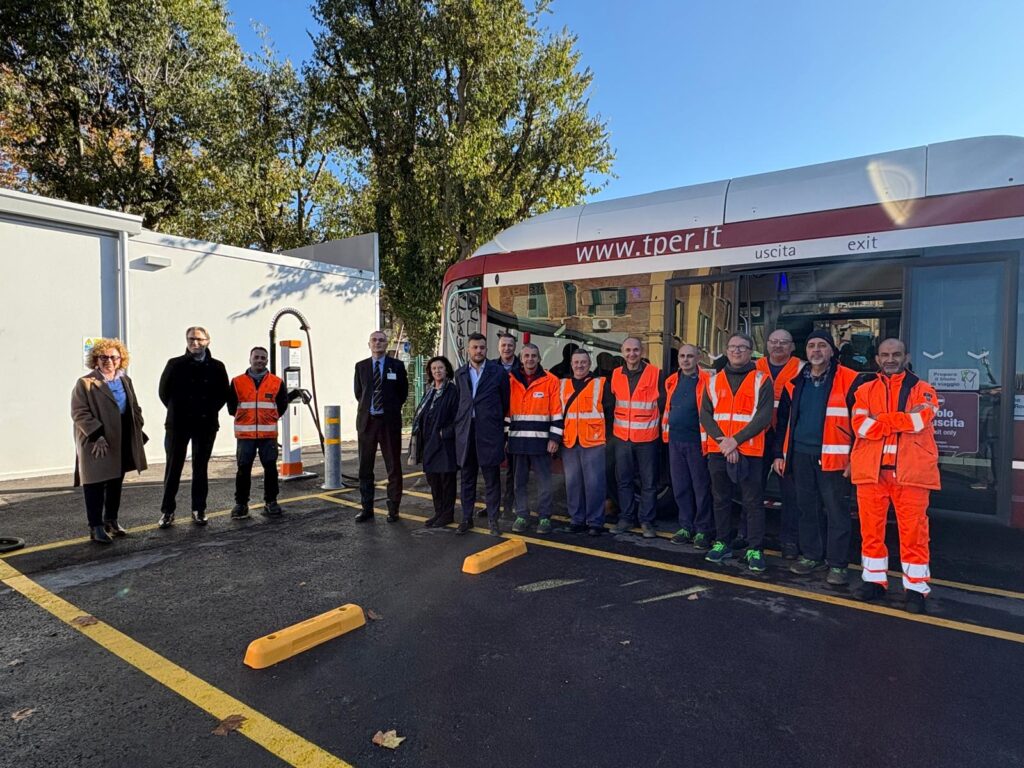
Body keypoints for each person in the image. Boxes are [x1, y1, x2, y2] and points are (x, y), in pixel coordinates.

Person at [850, 338, 940, 613]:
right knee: (871, 532)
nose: (890, 359)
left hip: (911, 474)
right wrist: (899, 418)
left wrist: (881, 419)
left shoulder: (924, 389)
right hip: (872, 472)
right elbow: (860, 426)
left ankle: (916, 589)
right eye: (885, 355)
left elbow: (919, 421)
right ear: (877, 359)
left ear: (906, 356)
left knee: (914, 534)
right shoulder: (864, 389)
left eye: (896, 354)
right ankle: (874, 581)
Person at [774, 331, 858, 585]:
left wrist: (856, 458)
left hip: (834, 458)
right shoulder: (795, 382)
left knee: (836, 511)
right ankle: (811, 556)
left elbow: (860, 423)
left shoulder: (851, 380)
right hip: (800, 454)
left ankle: (838, 565)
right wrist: (780, 453)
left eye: (822, 345)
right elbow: (783, 423)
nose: (816, 350)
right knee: (806, 508)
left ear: (832, 351)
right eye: (811, 346)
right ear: (806, 352)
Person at [701, 332, 774, 572]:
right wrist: (725, 443)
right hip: (719, 450)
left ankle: (755, 548)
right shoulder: (713, 380)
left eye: (742, 347)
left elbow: (763, 417)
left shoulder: (762, 380)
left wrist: (735, 441)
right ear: (726, 350)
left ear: (751, 351)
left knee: (753, 502)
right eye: (732, 347)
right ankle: (723, 542)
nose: (736, 351)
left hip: (750, 451)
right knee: (720, 499)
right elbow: (705, 415)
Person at [71, 339, 148, 543]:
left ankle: (111, 521)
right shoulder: (85, 383)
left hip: (121, 437)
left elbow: (134, 405)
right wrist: (97, 435)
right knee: (95, 483)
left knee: (116, 481)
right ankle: (95, 527)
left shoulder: (125, 380)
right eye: (103, 357)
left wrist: (138, 423)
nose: (109, 361)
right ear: (95, 359)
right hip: (97, 440)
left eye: (114, 357)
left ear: (121, 359)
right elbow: (79, 413)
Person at [158, 326, 228, 528]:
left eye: (198, 339)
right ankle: (167, 511)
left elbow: (223, 394)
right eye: (190, 339)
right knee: (173, 468)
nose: (194, 343)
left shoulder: (217, 366)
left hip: (205, 424)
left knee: (200, 468)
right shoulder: (175, 364)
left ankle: (199, 509)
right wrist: (178, 410)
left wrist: (208, 410)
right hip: (178, 425)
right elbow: (164, 393)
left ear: (208, 341)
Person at [608, 336, 665, 538]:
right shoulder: (615, 374)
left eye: (635, 350)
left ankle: (647, 521)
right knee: (623, 481)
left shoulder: (655, 374)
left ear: (642, 352)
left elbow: (662, 405)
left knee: (648, 483)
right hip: (622, 438)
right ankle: (626, 518)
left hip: (647, 438)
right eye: (628, 350)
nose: (632, 354)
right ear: (623, 352)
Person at [454, 332, 511, 536]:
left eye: (482, 347)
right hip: (466, 433)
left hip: (489, 433)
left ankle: (493, 521)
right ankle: (466, 518)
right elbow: (461, 402)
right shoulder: (459, 374)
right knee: (467, 478)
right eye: (475, 347)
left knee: (491, 479)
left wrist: (493, 420)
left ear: (487, 349)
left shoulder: (498, 372)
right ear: (468, 350)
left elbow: (505, 402)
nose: (479, 351)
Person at [754, 328, 804, 559]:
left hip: (787, 437)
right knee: (752, 490)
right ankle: (749, 536)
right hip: (758, 435)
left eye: (784, 342)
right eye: (773, 341)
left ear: (792, 346)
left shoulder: (802, 368)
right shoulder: (755, 366)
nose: (778, 346)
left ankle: (790, 541)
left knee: (790, 494)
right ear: (767, 344)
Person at [226, 347, 288, 520]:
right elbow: (231, 405)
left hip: (268, 435)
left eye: (263, 358)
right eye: (256, 357)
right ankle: (241, 504)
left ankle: (271, 501)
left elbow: (283, 403)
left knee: (270, 469)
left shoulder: (276, 382)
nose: (260, 360)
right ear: (250, 359)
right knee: (243, 469)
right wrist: (241, 416)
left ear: (267, 361)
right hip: (245, 436)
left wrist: (273, 416)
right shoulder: (237, 382)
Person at [662, 344, 713, 550]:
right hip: (675, 440)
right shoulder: (671, 381)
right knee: (681, 486)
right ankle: (685, 526)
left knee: (700, 487)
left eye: (690, 356)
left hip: (696, 441)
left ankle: (703, 529)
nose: (685, 360)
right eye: (682, 356)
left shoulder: (707, 381)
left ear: (698, 358)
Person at [354, 330, 409, 522]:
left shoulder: (397, 366)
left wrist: (389, 408)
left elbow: (402, 393)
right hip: (367, 423)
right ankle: (366, 508)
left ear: (387, 344)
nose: (378, 343)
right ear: (369, 344)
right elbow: (359, 393)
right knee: (364, 468)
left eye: (381, 340)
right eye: (374, 340)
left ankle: (393, 509)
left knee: (393, 467)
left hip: (389, 423)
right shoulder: (360, 367)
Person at [508, 343, 562, 534]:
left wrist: (555, 438)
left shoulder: (551, 380)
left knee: (544, 483)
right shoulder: (511, 379)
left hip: (541, 442)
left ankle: (545, 517)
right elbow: (507, 413)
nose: (530, 359)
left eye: (533, 356)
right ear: (521, 359)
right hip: (518, 442)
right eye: (526, 356)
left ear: (539, 359)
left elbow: (557, 412)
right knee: (519, 482)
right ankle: (522, 515)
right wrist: (506, 438)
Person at [560, 349, 609, 536]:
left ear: (589, 364)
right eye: (576, 362)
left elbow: (610, 412)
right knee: (573, 483)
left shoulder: (600, 384)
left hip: (594, 442)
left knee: (594, 484)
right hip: (570, 441)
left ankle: (595, 522)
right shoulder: (562, 385)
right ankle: (577, 520)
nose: (579, 365)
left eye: (583, 362)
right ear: (571, 364)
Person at [411, 356, 460, 528]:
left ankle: (447, 514)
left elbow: (459, 418)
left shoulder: (453, 391)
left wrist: (444, 433)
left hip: (445, 443)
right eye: (434, 369)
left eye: (440, 368)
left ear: (446, 370)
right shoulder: (429, 390)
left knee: (446, 480)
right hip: (428, 442)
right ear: (430, 372)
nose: (437, 371)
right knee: (433, 480)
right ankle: (438, 512)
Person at [492, 331, 521, 519]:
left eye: (510, 345)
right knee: (492, 465)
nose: (507, 348)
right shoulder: (491, 367)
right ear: (498, 347)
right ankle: (492, 504)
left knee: (513, 468)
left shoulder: (522, 367)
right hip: (495, 422)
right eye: (503, 345)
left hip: (516, 422)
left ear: (514, 347)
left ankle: (510, 506)